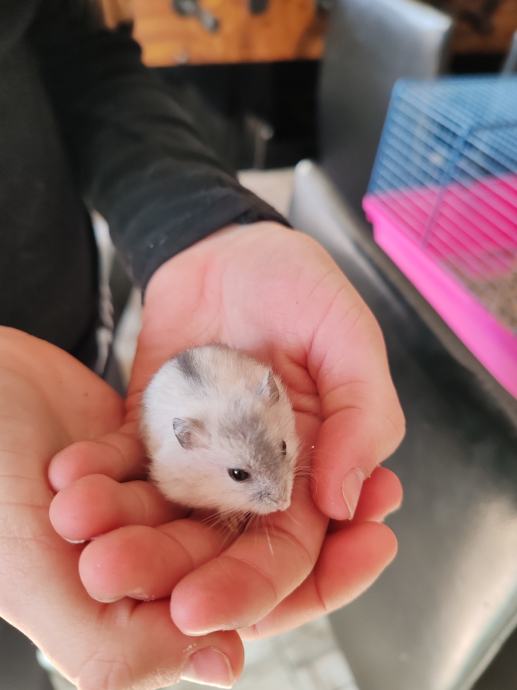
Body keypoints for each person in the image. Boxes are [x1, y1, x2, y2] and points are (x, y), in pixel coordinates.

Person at [0, 1, 405, 688]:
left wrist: (199, 219)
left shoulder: (246, 406)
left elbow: (74, 52)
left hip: (71, 335)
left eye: (281, 458)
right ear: (188, 442)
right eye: (246, 478)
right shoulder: (188, 443)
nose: (280, 496)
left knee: (80, 560)